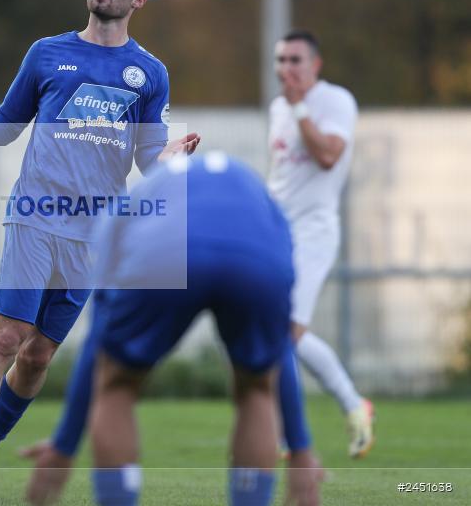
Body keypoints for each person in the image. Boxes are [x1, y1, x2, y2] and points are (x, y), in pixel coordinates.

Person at [0, 0, 199, 503]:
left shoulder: (149, 73)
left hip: (95, 234)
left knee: (38, 356)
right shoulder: (47, 53)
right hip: (36, 217)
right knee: (7, 336)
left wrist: (170, 158)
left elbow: (147, 160)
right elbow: (5, 126)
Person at [83, 152, 318, 506]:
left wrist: (63, 444)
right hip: (253, 255)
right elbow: (279, 339)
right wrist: (300, 448)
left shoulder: (131, 201)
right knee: (256, 387)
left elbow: (98, 336)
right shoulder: (260, 197)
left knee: (117, 383)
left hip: (163, 254)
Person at [268, 30, 373, 458]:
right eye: (281, 60)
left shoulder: (335, 101)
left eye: (295, 60)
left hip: (314, 229)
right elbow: (282, 173)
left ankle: (292, 433)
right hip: (276, 227)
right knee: (270, 326)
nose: (286, 69)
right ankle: (349, 406)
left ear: (316, 64)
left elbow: (328, 156)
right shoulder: (278, 107)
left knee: (288, 330)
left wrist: (300, 109)